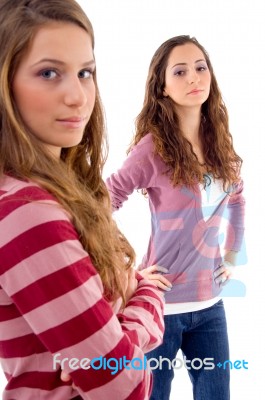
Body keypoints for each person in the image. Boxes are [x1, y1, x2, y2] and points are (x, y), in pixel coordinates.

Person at [0, 1, 165, 399]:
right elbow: (122, 385)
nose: (78, 97)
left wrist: (117, 333)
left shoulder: (54, 192)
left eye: (85, 72)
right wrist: (147, 299)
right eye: (48, 73)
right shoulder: (27, 214)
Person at [106, 35, 245, 400]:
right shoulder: (153, 149)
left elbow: (238, 198)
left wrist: (232, 255)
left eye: (200, 67)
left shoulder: (219, 144)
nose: (193, 77)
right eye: (180, 71)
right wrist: (127, 271)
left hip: (211, 306)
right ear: (163, 87)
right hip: (160, 309)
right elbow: (102, 202)